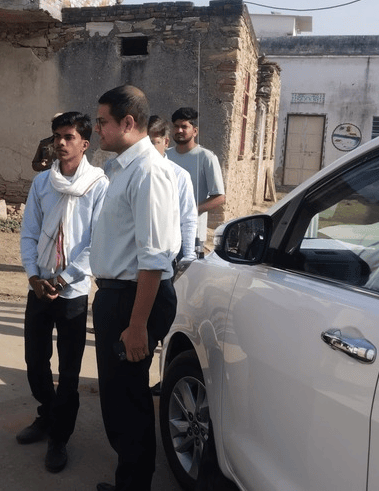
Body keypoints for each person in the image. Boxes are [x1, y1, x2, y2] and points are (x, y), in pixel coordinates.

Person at [90, 85, 181, 491]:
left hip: (134, 299)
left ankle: (134, 484)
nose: (97, 129)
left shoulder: (148, 171)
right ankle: (129, 479)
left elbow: (154, 258)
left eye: (103, 122)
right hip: (119, 295)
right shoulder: (123, 169)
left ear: (128, 122)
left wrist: (138, 324)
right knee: (118, 397)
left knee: (127, 401)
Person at [18, 112, 108, 473]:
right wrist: (34, 276)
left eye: (68, 137)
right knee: (35, 362)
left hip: (72, 292)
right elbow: (29, 232)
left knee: (69, 372)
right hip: (40, 287)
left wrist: (64, 279)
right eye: (57, 136)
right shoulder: (42, 182)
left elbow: (97, 242)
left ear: (84, 144)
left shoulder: (98, 185)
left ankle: (59, 437)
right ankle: (47, 412)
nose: (60, 143)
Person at [147, 115, 198, 397]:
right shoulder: (132, 172)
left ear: (165, 142)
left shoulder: (178, 176)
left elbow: (188, 218)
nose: (150, 148)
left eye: (155, 142)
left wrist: (187, 256)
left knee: (167, 323)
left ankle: (165, 379)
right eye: (145, 142)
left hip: (169, 261)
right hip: (138, 264)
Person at [166, 107, 225, 252]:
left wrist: (189, 210)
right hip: (165, 231)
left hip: (192, 234)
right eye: (176, 126)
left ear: (195, 131)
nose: (179, 130)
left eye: (184, 126)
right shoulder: (165, 156)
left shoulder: (206, 157)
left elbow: (219, 197)